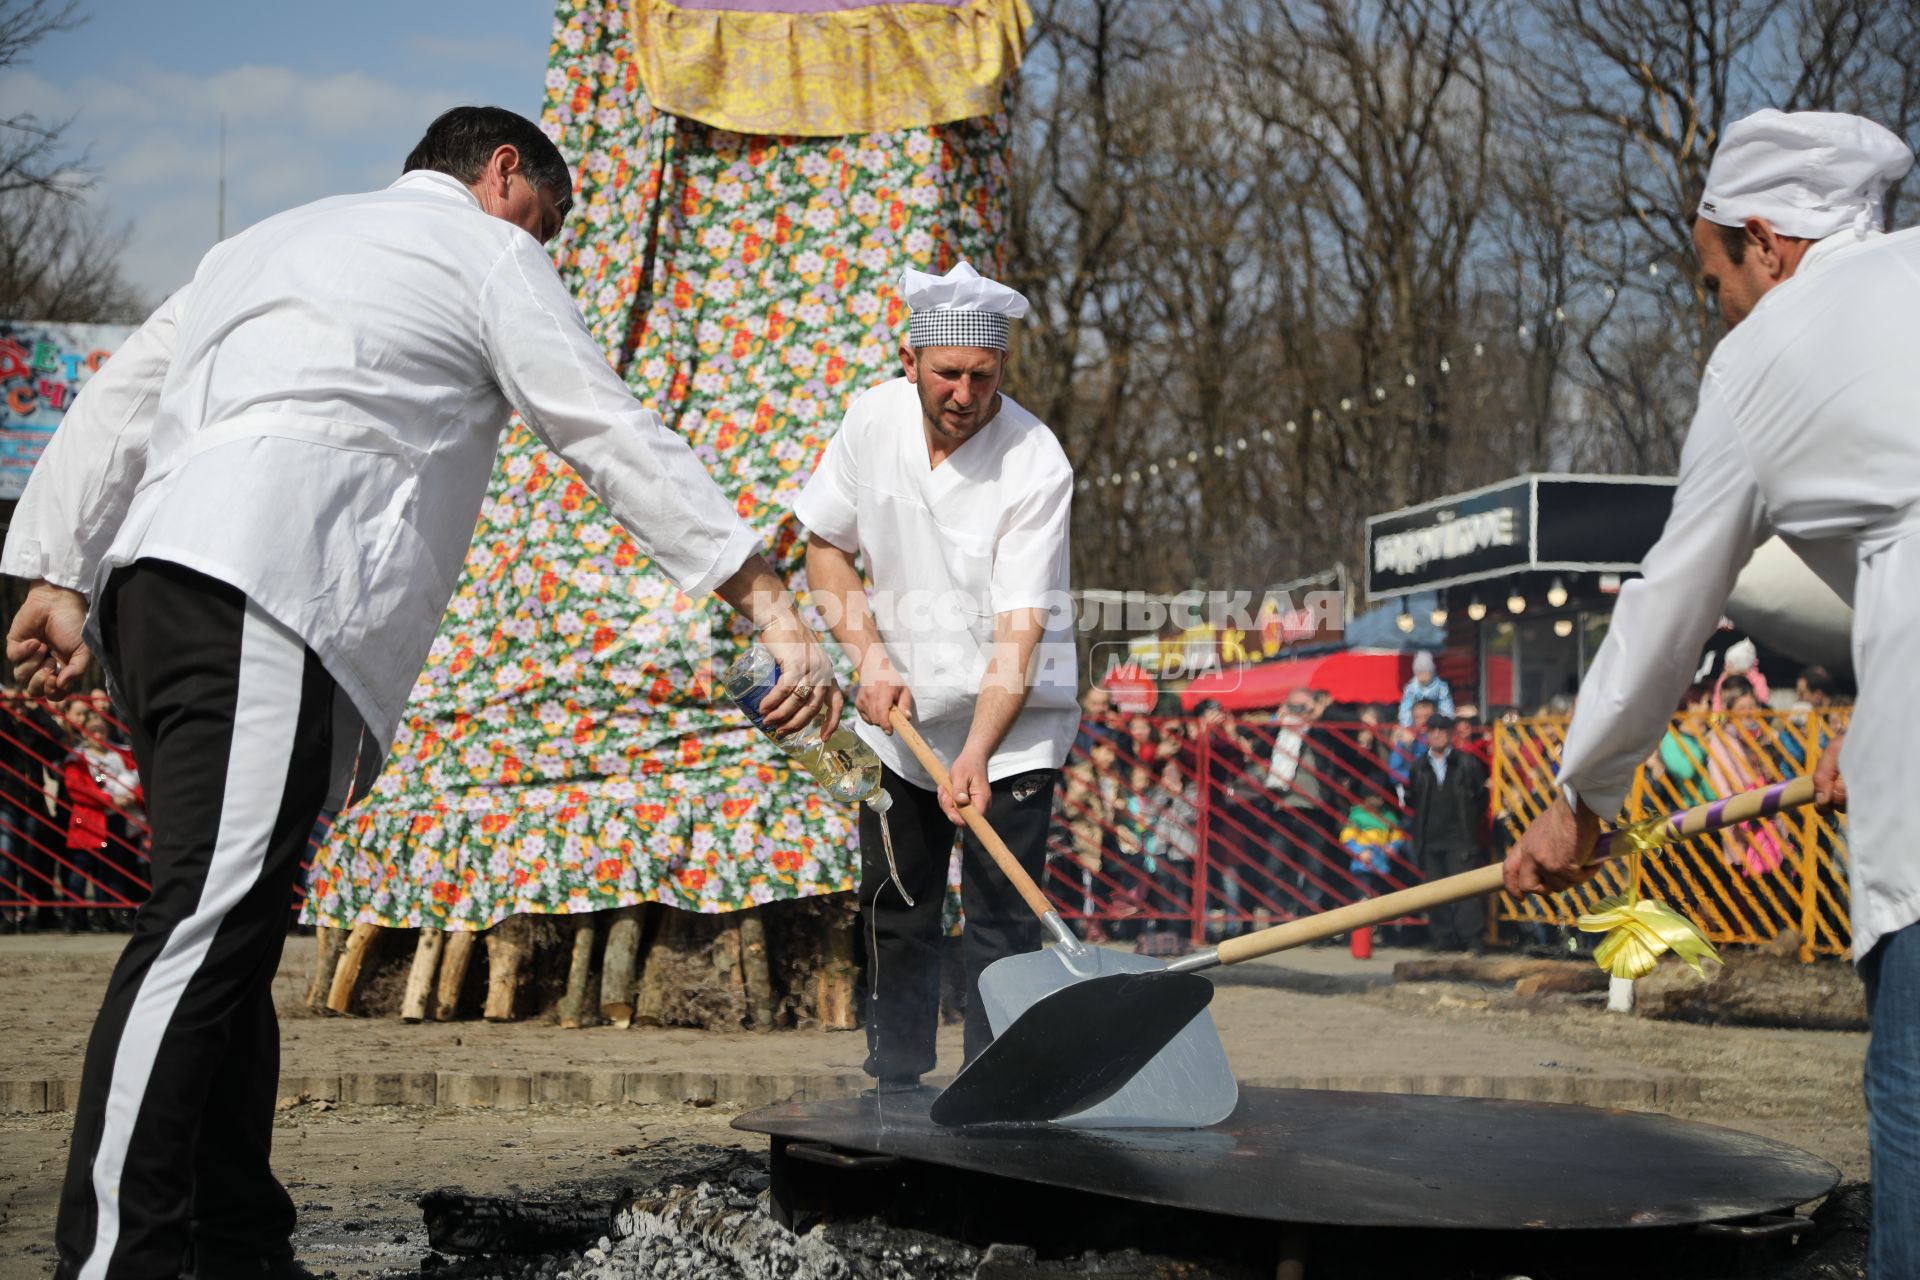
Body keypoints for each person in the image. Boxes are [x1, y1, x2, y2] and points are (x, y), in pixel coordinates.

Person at [3, 106, 840, 1280]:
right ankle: (111, 1259)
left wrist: (57, 571)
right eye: (544, 224)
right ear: (503, 174)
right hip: (267, 584)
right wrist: (759, 589)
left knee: (231, 930)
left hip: (158, 588)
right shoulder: (484, 249)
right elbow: (602, 422)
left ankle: (236, 1242)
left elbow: (122, 397)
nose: (540, 250)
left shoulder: (261, 243)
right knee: (204, 924)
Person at [1505, 109, 1916, 1276]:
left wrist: (1581, 796)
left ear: (1769, 243)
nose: (1718, 306)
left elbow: (1670, 603)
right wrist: (1883, 722)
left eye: (1713, 277)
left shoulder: (1766, 355)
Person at [797, 259, 1077, 1090]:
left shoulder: (1037, 462)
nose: (966, 393)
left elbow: (1019, 635)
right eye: (948, 374)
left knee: (999, 925)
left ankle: (993, 1091)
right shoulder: (870, 419)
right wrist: (870, 659)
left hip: (1013, 731)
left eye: (983, 377)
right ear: (909, 361)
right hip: (898, 722)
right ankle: (894, 1080)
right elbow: (825, 549)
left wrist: (979, 751)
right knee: (896, 907)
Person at [1407, 714, 1489, 951]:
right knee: (1434, 892)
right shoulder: (1419, 766)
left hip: (1459, 837)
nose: (1437, 734)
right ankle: (1442, 938)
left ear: (1451, 733)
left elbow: (1479, 798)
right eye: (1432, 730)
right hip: (1430, 837)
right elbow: (1414, 800)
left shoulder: (1466, 763)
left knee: (1466, 890)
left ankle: (1473, 939)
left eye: (1442, 730)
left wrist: (1470, 830)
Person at [1397, 650, 1455, 725]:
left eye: (1427, 672)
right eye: (1420, 673)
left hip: (1435, 718)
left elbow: (1446, 705)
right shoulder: (1411, 688)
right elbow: (1405, 708)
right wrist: (1406, 725)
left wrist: (1446, 722)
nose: (1424, 676)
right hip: (1416, 722)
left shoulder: (1440, 687)